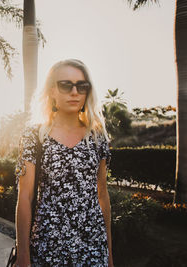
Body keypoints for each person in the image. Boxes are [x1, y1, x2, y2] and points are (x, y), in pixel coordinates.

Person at [14, 59, 114, 266]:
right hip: (47, 247)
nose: (75, 92)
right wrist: (23, 255)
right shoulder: (35, 135)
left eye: (82, 86)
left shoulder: (97, 137)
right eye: (66, 85)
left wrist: (109, 254)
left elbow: (102, 196)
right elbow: (25, 196)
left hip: (93, 248)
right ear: (52, 91)